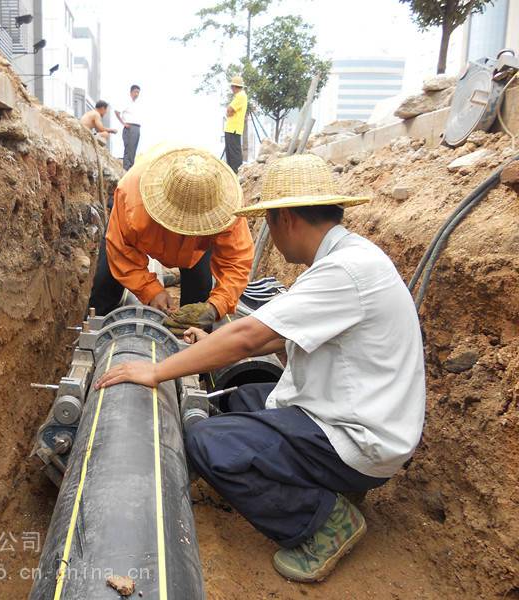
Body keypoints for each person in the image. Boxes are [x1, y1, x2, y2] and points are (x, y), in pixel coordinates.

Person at [95, 154, 426, 583]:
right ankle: (327, 481)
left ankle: (323, 522)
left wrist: (156, 372)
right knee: (239, 398)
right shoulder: (349, 259)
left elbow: (252, 336)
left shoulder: (344, 271)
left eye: (268, 221)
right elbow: (275, 337)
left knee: (209, 442)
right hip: (352, 414)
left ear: (285, 218)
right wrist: (209, 342)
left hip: (358, 437)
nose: (268, 232)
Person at [86, 145, 253, 329]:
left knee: (199, 294)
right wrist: (151, 291)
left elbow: (236, 261)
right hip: (135, 233)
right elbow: (121, 250)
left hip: (196, 252)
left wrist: (216, 306)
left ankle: (193, 348)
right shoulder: (132, 197)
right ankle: (95, 337)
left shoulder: (228, 207)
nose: (186, 232)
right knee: (105, 285)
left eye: (194, 228)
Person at [115, 84, 142, 170]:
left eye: (138, 92)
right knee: (129, 149)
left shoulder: (136, 104)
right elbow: (117, 112)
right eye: (135, 92)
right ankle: (126, 169)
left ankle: (130, 168)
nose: (137, 94)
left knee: (133, 150)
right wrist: (123, 123)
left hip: (137, 128)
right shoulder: (126, 101)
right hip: (130, 127)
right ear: (131, 92)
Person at [224, 75, 248, 173]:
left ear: (235, 86)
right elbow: (229, 111)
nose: (231, 89)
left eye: (232, 87)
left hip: (233, 129)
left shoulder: (240, 96)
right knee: (230, 153)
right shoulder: (239, 96)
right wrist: (229, 112)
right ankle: (232, 173)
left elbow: (229, 110)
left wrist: (229, 111)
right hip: (232, 129)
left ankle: (236, 173)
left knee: (234, 154)